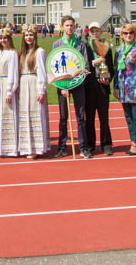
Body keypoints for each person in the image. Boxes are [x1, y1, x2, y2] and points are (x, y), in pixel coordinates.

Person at [53, 15, 93, 159]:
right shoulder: (57, 45)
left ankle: (83, 147)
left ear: (75, 27)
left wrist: (75, 82)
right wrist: (63, 86)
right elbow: (54, 69)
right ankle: (62, 147)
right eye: (67, 25)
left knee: (80, 116)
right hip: (62, 87)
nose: (70, 28)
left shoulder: (81, 45)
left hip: (78, 86)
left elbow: (86, 67)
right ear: (62, 26)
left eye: (72, 25)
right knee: (63, 118)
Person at [16, 25, 49, 158]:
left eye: (31, 35)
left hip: (34, 84)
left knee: (35, 115)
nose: (28, 37)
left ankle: (36, 148)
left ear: (35, 37)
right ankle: (26, 146)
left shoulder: (39, 51)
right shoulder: (23, 53)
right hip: (24, 85)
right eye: (26, 35)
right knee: (25, 116)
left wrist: (41, 90)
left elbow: (42, 71)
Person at [114, 23, 136, 156]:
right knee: (128, 117)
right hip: (123, 88)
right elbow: (116, 69)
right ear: (121, 35)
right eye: (125, 33)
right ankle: (133, 139)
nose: (128, 35)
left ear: (134, 34)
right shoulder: (119, 50)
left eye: (131, 33)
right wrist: (115, 86)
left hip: (134, 88)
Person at [84, 22, 114, 156]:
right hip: (89, 87)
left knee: (104, 118)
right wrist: (92, 63)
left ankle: (106, 144)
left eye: (97, 31)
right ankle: (90, 145)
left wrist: (108, 79)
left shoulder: (106, 47)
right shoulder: (84, 47)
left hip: (102, 87)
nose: (94, 33)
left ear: (100, 32)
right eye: (92, 31)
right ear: (89, 33)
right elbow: (82, 66)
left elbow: (111, 68)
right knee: (89, 119)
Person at [0, 29, 20, 156]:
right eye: (1, 38)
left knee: (8, 113)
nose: (3, 40)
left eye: (5, 38)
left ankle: (10, 147)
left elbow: (13, 73)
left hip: (7, 85)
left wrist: (10, 91)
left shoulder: (12, 53)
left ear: (9, 39)